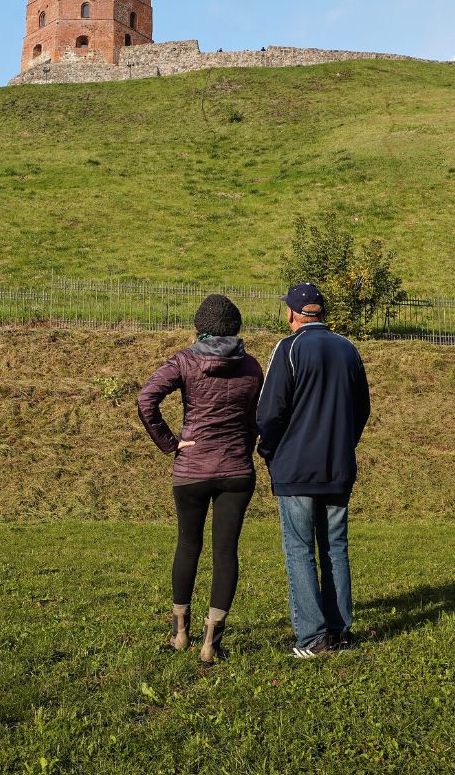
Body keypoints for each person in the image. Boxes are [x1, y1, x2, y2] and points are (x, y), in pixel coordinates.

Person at [137, 295, 263, 661]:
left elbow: (147, 400)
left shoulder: (185, 360)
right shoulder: (252, 367)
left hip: (191, 468)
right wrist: (246, 438)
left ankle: (180, 635)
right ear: (236, 328)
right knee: (226, 551)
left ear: (200, 326)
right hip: (237, 469)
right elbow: (258, 415)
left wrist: (170, 442)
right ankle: (212, 642)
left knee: (188, 545)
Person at [256, 282, 370, 658]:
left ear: (290, 312)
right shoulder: (348, 349)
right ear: (320, 312)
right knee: (335, 547)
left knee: (300, 550)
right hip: (338, 466)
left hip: (295, 467)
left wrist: (269, 450)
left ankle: (312, 638)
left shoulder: (288, 349)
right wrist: (344, 444)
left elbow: (270, 411)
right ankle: (340, 631)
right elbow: (361, 409)